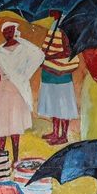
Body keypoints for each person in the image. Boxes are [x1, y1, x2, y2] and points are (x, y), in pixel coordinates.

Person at [0, 22, 44, 162]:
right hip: (2, 90)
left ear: (14, 31)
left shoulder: (23, 49)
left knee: (14, 125)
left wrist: (24, 75)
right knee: (1, 125)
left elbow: (39, 55)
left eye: (10, 30)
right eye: (5, 31)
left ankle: (15, 159)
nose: (8, 33)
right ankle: (1, 156)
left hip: (17, 91)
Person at [37, 10, 82, 144]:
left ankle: (63, 135)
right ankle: (55, 132)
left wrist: (49, 56)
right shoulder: (55, 24)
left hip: (60, 72)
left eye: (53, 8)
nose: (50, 10)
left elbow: (68, 51)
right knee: (53, 104)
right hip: (50, 71)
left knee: (63, 105)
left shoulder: (65, 25)